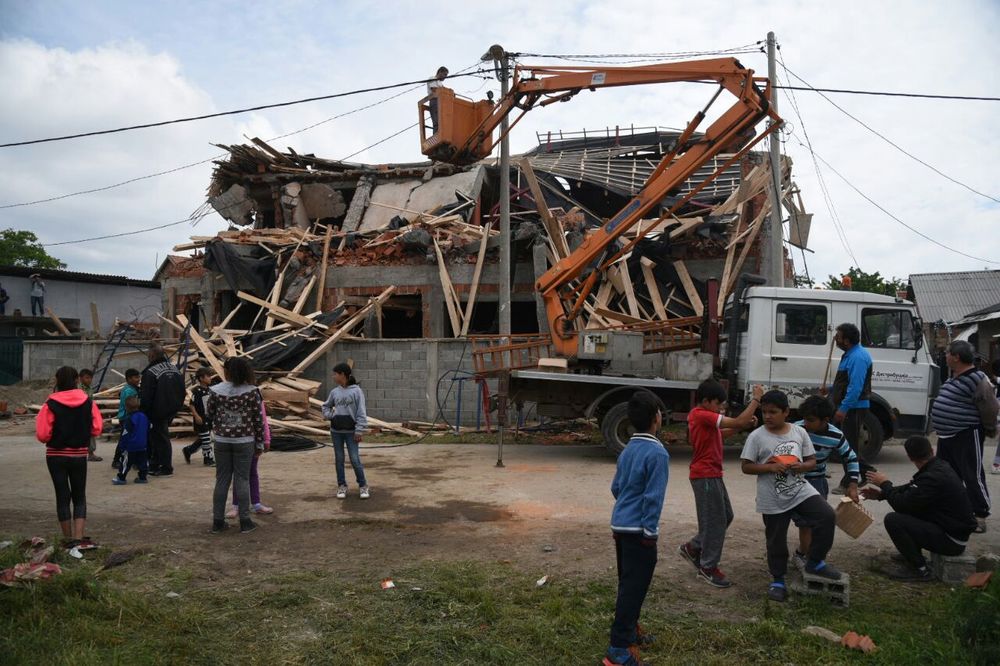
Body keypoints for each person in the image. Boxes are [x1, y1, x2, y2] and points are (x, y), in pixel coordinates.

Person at [741, 390, 842, 602]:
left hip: (799, 489)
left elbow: (812, 460)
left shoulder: (799, 432)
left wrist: (801, 466)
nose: (767, 416)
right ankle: (778, 580)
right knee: (776, 539)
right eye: (764, 412)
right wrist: (769, 468)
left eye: (773, 412)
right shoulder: (756, 436)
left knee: (826, 516)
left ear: (786, 412)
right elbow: (746, 467)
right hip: (772, 496)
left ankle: (815, 562)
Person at [603, 392, 669, 666]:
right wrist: (649, 533)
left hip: (620, 526)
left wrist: (626, 510)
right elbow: (653, 499)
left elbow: (616, 487)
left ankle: (629, 632)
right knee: (634, 587)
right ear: (657, 418)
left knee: (627, 581)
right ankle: (618, 650)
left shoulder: (628, 449)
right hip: (639, 532)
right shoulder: (658, 453)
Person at [677, 380, 762, 588]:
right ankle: (708, 567)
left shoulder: (704, 418)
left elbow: (722, 433)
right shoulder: (700, 414)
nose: (721, 408)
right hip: (705, 475)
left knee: (725, 516)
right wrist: (756, 399)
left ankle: (693, 547)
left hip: (712, 474)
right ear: (706, 401)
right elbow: (737, 421)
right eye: (718, 404)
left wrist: (742, 424)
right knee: (715, 521)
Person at [861, 436, 978, 582]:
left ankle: (920, 569)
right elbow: (912, 489)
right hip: (951, 530)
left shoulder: (933, 476)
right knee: (908, 509)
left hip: (952, 541)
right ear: (932, 450)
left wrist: (885, 483)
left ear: (910, 457)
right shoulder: (938, 466)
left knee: (894, 519)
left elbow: (902, 503)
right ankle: (910, 554)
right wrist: (882, 495)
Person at [34, 366, 103, 551]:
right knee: (79, 496)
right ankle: (79, 540)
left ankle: (68, 540)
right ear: (77, 380)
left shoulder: (50, 404)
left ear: (57, 380)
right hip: (79, 454)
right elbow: (96, 428)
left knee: (62, 496)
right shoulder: (88, 402)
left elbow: (42, 434)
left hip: (56, 456)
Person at [930, 340, 995, 533]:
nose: (945, 355)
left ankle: (980, 514)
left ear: (956, 357)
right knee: (948, 475)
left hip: (966, 433)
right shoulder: (955, 377)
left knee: (972, 474)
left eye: (948, 353)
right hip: (947, 436)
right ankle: (954, 510)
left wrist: (990, 429)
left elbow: (990, 407)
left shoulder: (978, 378)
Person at [792, 395, 861, 568]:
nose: (806, 424)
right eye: (804, 419)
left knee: (814, 521)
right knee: (804, 523)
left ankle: (806, 554)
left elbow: (851, 458)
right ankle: (804, 554)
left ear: (826, 420)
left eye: (811, 420)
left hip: (817, 482)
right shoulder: (795, 430)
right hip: (794, 481)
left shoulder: (836, 436)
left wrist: (852, 485)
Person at [208, 357, 265, 534]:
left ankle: (218, 522)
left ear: (227, 371)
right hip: (245, 441)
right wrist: (260, 442)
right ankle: (245, 522)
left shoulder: (215, 391)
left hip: (222, 440)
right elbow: (258, 419)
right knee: (243, 479)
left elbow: (209, 413)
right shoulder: (252, 392)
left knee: (222, 479)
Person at [824, 322, 874, 491]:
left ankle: (848, 482)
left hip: (854, 407)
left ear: (846, 340)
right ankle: (867, 473)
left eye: (838, 336)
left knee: (849, 448)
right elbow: (845, 384)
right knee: (847, 445)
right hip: (850, 406)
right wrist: (830, 389)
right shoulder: (850, 355)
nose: (835, 340)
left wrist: (843, 409)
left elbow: (855, 388)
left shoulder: (858, 357)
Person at [321, 362, 370, 500]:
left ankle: (363, 486)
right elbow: (325, 406)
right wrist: (331, 416)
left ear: (342, 375)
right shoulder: (334, 392)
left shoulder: (356, 391)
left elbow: (361, 412)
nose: (333, 376)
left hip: (351, 432)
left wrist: (359, 430)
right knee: (339, 459)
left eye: (335, 374)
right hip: (336, 432)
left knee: (355, 459)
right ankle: (342, 486)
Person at [140, 343, 186, 477]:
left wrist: (143, 411)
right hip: (172, 409)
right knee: (157, 437)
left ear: (152, 355)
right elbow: (182, 391)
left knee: (161, 438)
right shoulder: (175, 369)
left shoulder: (150, 372)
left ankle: (166, 467)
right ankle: (154, 464)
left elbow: (146, 395)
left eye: (149, 355)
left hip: (156, 411)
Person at [226, 399, 273, 517]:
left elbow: (262, 420)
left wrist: (266, 439)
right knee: (239, 474)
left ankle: (256, 504)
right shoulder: (229, 394)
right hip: (235, 439)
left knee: (251, 472)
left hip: (250, 440)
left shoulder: (254, 394)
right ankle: (236, 506)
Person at [112, 395, 150, 485]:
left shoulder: (129, 419)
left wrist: (122, 445)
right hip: (143, 445)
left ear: (127, 408)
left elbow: (125, 434)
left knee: (125, 462)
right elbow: (148, 429)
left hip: (130, 446)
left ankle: (121, 477)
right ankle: (142, 477)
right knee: (143, 462)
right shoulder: (144, 417)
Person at [182, 367, 216, 466]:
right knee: (206, 440)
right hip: (201, 418)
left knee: (204, 438)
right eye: (208, 376)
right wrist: (196, 416)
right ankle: (208, 459)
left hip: (209, 418)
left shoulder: (210, 390)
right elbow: (191, 404)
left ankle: (188, 450)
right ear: (201, 378)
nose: (210, 378)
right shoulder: (197, 391)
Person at [111, 368, 141, 469]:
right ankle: (116, 460)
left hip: (128, 418)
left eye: (139, 377)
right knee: (125, 440)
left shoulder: (131, 388)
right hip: (127, 418)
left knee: (128, 439)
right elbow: (131, 405)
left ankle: (128, 460)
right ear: (129, 379)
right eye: (136, 377)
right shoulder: (129, 390)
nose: (138, 379)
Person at [78, 368, 103, 462]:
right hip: (80, 415)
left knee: (91, 434)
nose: (89, 380)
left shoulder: (89, 389)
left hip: (88, 415)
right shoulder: (78, 389)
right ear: (80, 378)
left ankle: (91, 453)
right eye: (86, 378)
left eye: (90, 378)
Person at [427, 66, 449, 133]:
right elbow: (434, 90)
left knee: (442, 122)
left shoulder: (440, 83)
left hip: (441, 102)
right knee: (436, 122)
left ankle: (441, 135)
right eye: (445, 74)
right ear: (440, 72)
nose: (445, 77)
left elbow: (445, 91)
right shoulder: (433, 78)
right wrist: (446, 91)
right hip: (434, 101)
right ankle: (437, 137)